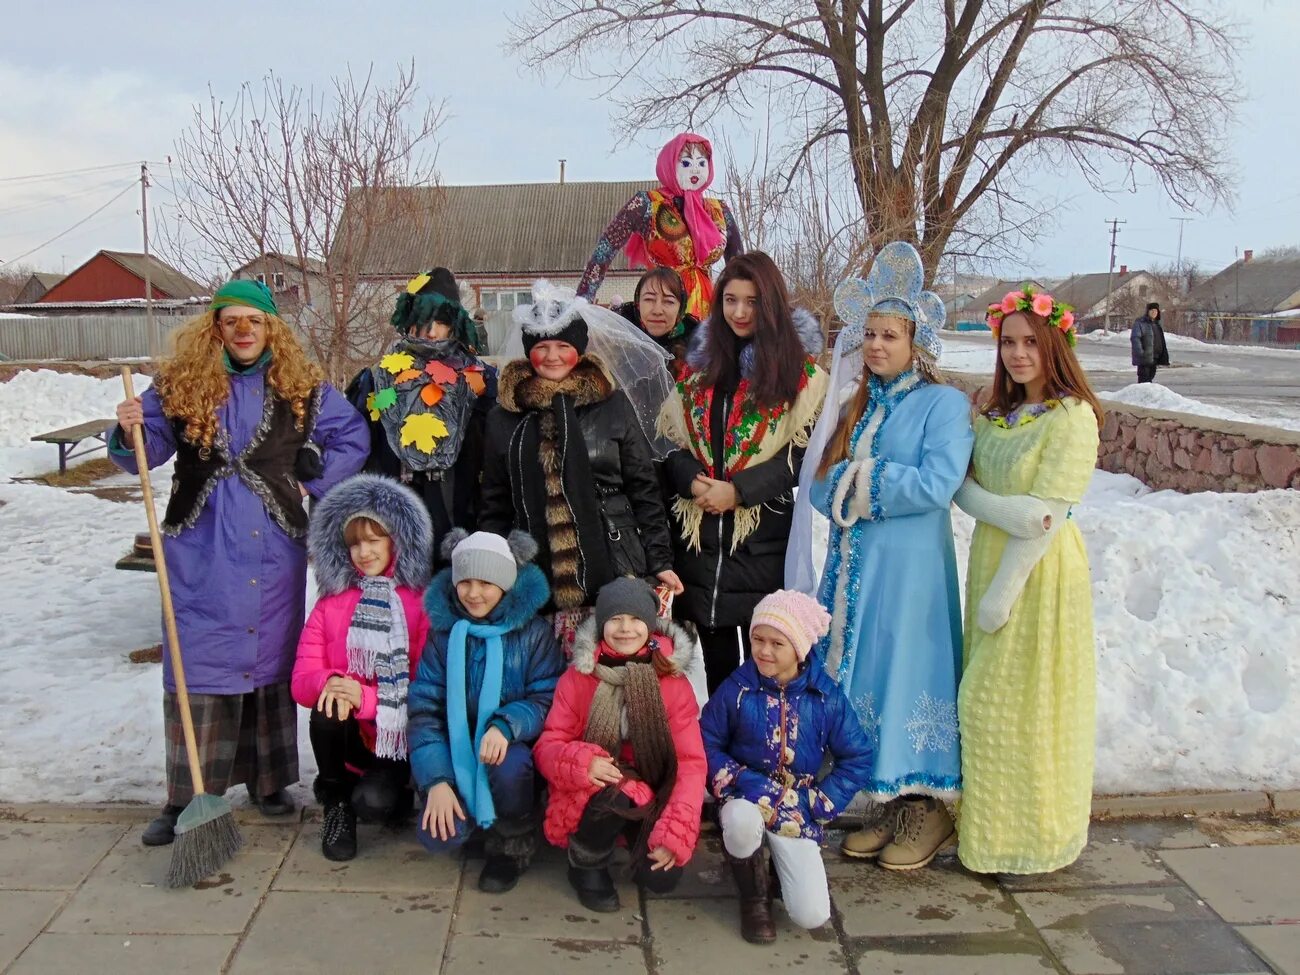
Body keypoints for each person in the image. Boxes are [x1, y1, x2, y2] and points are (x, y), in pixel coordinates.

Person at [110, 279, 369, 846]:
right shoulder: (179, 384)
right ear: (216, 329)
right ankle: (185, 795)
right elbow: (146, 451)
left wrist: (313, 474)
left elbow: (352, 436)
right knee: (195, 659)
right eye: (232, 321)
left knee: (267, 656)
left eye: (255, 320)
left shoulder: (303, 388)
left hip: (273, 541)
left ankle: (269, 782)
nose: (244, 331)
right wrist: (131, 427)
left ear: (272, 327)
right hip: (198, 544)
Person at [786, 243, 973, 870]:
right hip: (857, 573)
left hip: (911, 574)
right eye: (868, 334)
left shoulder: (942, 405)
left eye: (888, 335)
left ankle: (930, 807)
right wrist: (848, 481)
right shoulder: (856, 403)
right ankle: (891, 802)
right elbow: (819, 484)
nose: (875, 345)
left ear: (916, 341)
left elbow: (937, 483)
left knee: (910, 672)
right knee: (868, 676)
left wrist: (863, 481)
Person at [955, 286, 1103, 874]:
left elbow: (1050, 517)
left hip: (1037, 575)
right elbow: (965, 490)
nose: (1018, 354)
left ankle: (1034, 838)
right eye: (1008, 342)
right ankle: (988, 837)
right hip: (993, 554)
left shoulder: (1074, 418)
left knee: (1016, 706)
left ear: (1054, 345)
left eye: (1030, 343)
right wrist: (1014, 510)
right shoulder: (994, 415)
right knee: (988, 704)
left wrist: (1002, 593)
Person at [658, 251, 829, 695]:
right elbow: (668, 446)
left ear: (769, 304)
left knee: (764, 656)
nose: (738, 312)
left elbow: (801, 458)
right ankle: (720, 741)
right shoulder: (698, 372)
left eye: (751, 301)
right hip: (701, 536)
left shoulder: (800, 377)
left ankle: (761, 744)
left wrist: (739, 492)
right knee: (715, 662)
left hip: (759, 540)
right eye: (730, 300)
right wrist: (689, 478)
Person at [479, 281, 683, 648]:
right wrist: (491, 567)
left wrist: (660, 559)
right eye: (542, 347)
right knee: (548, 684)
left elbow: (644, 491)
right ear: (529, 353)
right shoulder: (503, 418)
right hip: (536, 571)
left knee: (609, 678)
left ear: (579, 349)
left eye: (563, 346)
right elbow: (494, 502)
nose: (553, 356)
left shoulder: (613, 407)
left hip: (615, 564)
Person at [701, 590, 874, 943]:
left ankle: (780, 871)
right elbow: (706, 741)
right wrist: (737, 779)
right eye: (757, 640)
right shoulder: (737, 688)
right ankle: (753, 898)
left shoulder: (825, 697)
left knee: (811, 914)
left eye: (777, 643)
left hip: (797, 808)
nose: (764, 651)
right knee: (740, 824)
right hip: (744, 795)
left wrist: (819, 802)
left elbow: (857, 756)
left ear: (799, 648)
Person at [534, 578, 706, 913]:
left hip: (655, 789)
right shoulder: (579, 677)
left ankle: (635, 836)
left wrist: (675, 832)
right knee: (617, 792)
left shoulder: (671, 681)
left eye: (635, 619)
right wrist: (582, 763)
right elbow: (549, 745)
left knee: (661, 881)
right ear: (601, 624)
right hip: (599, 787)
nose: (625, 629)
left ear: (650, 625)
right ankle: (586, 862)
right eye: (615, 619)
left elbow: (690, 762)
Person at [408, 529, 563, 893]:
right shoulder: (444, 635)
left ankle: (511, 841)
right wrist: (436, 781)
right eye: (465, 582)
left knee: (509, 766)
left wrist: (507, 724)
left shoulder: (533, 632)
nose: (473, 593)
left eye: (486, 583)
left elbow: (547, 696)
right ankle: (470, 814)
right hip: (457, 748)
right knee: (438, 837)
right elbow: (424, 709)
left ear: (506, 584)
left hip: (506, 748)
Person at [292, 474, 433, 861]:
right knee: (326, 704)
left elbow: (425, 685)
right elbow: (302, 680)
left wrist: (366, 698)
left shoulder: (419, 604)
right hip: (349, 732)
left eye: (374, 540)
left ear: (397, 542)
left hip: (396, 736)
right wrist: (335, 682)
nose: (364, 552)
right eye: (354, 543)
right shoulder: (331, 603)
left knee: (374, 804)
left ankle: (395, 789)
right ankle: (336, 803)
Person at [345, 267, 496, 558]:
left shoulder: (480, 379)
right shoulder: (376, 379)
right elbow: (357, 449)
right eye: (422, 320)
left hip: (463, 517)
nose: (430, 331)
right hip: (394, 522)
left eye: (440, 321)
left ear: (454, 324)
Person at [578, 132, 742, 319]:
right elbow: (606, 248)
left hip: (707, 312)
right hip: (662, 309)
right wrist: (584, 297)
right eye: (687, 163)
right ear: (669, 165)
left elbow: (739, 266)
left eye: (702, 163)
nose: (695, 170)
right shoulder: (647, 204)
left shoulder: (719, 210)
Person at [614, 267, 700, 379]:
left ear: (680, 308)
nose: (657, 311)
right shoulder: (617, 342)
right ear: (638, 304)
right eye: (649, 299)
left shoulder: (698, 349)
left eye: (668, 301)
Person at [1129, 301, 1169, 383]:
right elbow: (1135, 338)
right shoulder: (1140, 323)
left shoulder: (1157, 324)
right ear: (1148, 312)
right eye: (1152, 311)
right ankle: (1140, 395)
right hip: (1144, 358)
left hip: (1155, 357)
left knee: (1150, 377)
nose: (1154, 313)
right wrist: (1141, 353)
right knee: (1144, 379)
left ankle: (1146, 395)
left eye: (1156, 311)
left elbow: (1161, 340)